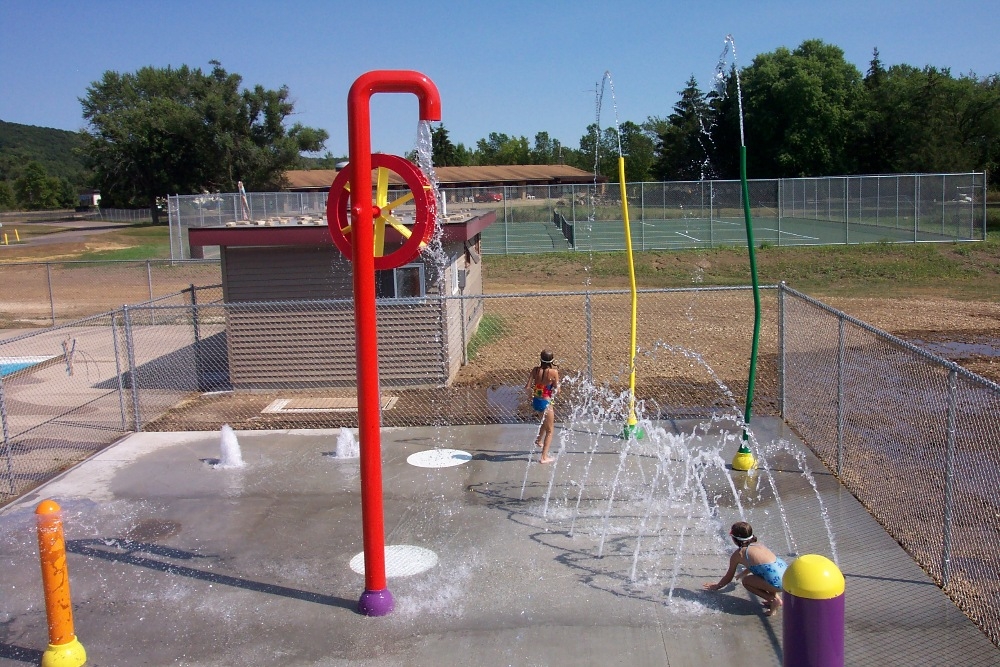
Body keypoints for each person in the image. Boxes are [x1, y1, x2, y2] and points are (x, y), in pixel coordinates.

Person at [703, 521, 788, 616]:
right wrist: (744, 572)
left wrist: (717, 586)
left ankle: (773, 600)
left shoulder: (739, 554)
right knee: (767, 574)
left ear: (734, 539)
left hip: (777, 583)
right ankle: (776, 597)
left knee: (747, 581)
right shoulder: (759, 545)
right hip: (787, 577)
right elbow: (762, 566)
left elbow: (729, 577)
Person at [526, 349, 560, 464]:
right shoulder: (553, 372)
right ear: (552, 360)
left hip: (536, 401)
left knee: (545, 422)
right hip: (546, 403)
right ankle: (544, 457)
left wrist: (531, 397)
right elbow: (557, 389)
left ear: (540, 359)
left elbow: (527, 387)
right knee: (550, 430)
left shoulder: (535, 370)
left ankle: (538, 440)